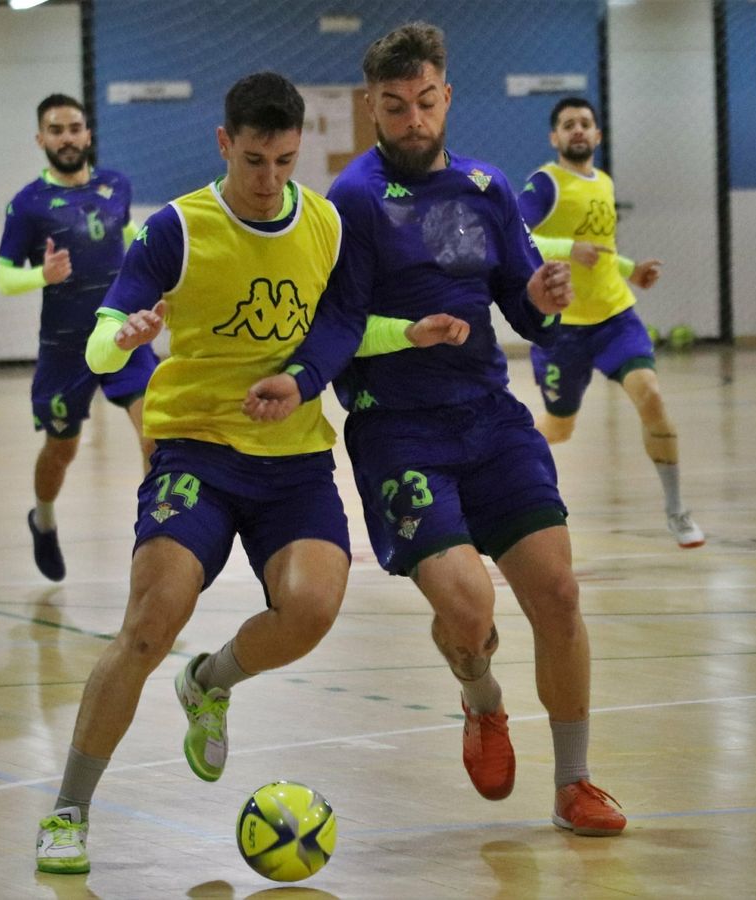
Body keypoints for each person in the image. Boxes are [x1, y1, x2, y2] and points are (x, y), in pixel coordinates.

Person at [33, 71, 467, 875]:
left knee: (310, 609)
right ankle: (69, 811)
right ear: (225, 144)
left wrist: (408, 332)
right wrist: (124, 337)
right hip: (196, 449)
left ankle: (209, 681)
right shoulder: (177, 229)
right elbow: (99, 345)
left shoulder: (328, 227)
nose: (270, 181)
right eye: (256, 160)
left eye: (286, 162)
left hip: (295, 459)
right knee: (148, 621)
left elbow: (339, 330)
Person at [247, 23, 628, 837]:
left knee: (558, 594)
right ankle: (482, 698)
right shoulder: (350, 200)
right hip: (400, 432)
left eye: (425, 102)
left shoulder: (487, 188)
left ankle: (574, 783)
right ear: (370, 109)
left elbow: (521, 302)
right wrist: (304, 380)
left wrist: (548, 298)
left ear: (446, 96)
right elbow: (341, 320)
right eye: (394, 107)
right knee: (468, 605)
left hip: (491, 418)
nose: (412, 120)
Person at [518, 96, 704, 548]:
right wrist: (566, 248)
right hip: (562, 330)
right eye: (568, 124)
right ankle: (502, 458)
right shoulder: (545, 183)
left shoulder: (602, 181)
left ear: (598, 135)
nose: (577, 130)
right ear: (554, 137)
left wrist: (630, 269)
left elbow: (597, 251)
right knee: (559, 428)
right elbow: (517, 235)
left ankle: (677, 510)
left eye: (585, 123)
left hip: (616, 318)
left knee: (651, 396)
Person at [0, 94, 156, 581]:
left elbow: (130, 240)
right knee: (61, 449)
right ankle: (42, 520)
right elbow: (4, 277)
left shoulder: (116, 185)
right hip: (66, 349)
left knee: (156, 435)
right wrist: (41, 275)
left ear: (88, 134)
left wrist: (150, 279)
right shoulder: (27, 205)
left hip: (122, 335)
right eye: (56, 129)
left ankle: (156, 539)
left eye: (74, 128)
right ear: (41, 139)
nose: (67, 137)